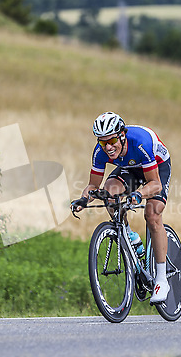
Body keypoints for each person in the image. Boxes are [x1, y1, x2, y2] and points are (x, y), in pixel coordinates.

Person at [71, 111, 171, 303]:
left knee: (152, 214)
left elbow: (155, 184)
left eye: (112, 140)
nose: (108, 147)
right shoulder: (100, 152)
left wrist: (139, 194)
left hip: (156, 166)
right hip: (130, 168)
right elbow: (93, 186)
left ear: (122, 135)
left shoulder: (140, 142)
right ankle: (130, 236)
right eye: (102, 142)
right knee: (109, 193)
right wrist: (83, 200)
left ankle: (161, 279)